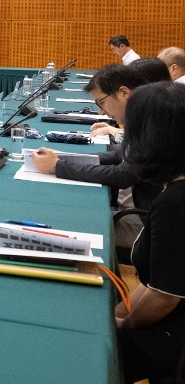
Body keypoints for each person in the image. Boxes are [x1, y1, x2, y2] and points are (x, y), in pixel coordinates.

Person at [30, 64, 158, 257]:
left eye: (101, 102)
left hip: (145, 223)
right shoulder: (143, 114)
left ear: (124, 93)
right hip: (139, 211)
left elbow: (123, 175)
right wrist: (64, 158)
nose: (101, 113)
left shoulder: (152, 121)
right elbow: (119, 155)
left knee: (61, 224)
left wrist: (58, 166)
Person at [115, 82, 185, 384]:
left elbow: (164, 296)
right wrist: (116, 314)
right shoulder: (174, 189)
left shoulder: (176, 203)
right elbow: (154, 282)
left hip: (172, 338)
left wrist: (124, 323)